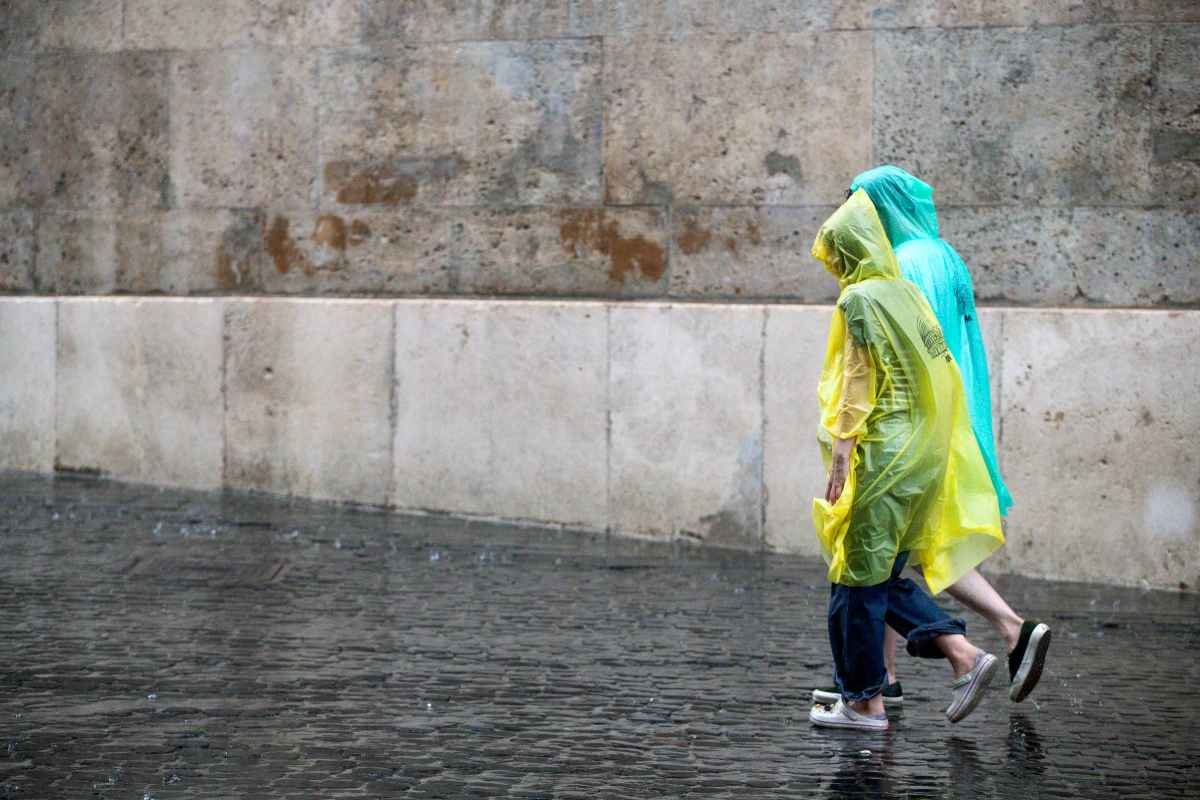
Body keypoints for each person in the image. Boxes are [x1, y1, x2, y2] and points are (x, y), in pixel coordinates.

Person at [813, 166, 1050, 709]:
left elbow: (872, 365)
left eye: (857, 205)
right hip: (937, 421)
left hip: (900, 430)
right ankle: (882, 676)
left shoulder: (895, 271)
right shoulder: (943, 255)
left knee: (883, 555)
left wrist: (847, 444)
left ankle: (999, 633)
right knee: (892, 554)